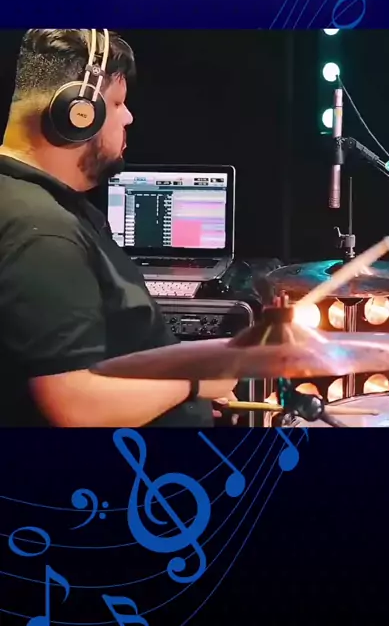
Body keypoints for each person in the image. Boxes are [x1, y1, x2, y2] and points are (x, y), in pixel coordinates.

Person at [0, 29, 237, 427]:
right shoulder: (42, 233)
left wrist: (172, 397)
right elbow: (76, 404)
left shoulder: (43, 206)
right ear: (78, 112)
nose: (128, 117)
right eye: (116, 102)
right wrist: (194, 381)